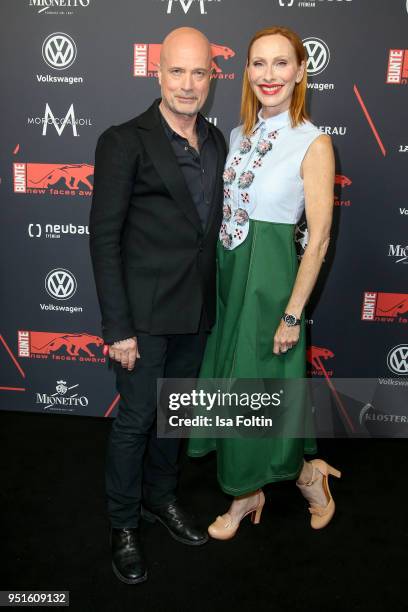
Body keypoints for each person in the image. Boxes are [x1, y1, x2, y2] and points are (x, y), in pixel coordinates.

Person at [187, 26, 340, 539]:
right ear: (246, 71)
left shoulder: (313, 143)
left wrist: (293, 314)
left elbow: (317, 241)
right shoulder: (239, 135)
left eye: (280, 64)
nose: (268, 75)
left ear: (300, 72)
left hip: (271, 286)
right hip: (231, 280)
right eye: (258, 63)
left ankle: (302, 479)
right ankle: (251, 491)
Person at [89, 27, 227, 583]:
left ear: (211, 77)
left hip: (195, 312)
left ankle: (160, 499)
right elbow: (104, 238)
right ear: (158, 73)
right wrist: (117, 327)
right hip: (142, 320)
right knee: (136, 420)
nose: (188, 84)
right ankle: (123, 523)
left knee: (174, 419)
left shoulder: (216, 141)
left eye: (199, 73)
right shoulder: (124, 140)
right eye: (178, 71)